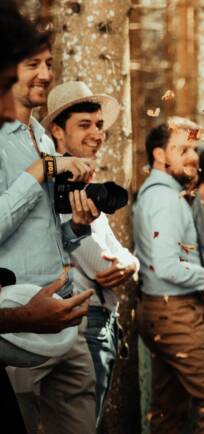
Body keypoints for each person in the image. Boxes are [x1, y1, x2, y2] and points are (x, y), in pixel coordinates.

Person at [1, 27, 105, 434]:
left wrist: (78, 227)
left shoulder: (43, 138)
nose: (45, 73)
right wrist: (42, 170)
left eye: (48, 63)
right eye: (33, 64)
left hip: (68, 324)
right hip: (18, 323)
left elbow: (51, 235)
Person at [45, 80, 138, 428]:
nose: (97, 134)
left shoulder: (84, 189)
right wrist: (125, 263)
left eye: (99, 125)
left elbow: (120, 255)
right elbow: (101, 265)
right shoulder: (59, 189)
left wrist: (132, 262)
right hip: (84, 323)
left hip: (100, 323)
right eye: (84, 125)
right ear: (57, 131)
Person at [133, 117, 204, 433]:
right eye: (182, 148)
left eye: (194, 148)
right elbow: (167, 265)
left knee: (168, 409)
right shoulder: (165, 199)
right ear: (159, 155)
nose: (193, 156)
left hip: (159, 310)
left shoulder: (164, 193)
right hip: (174, 314)